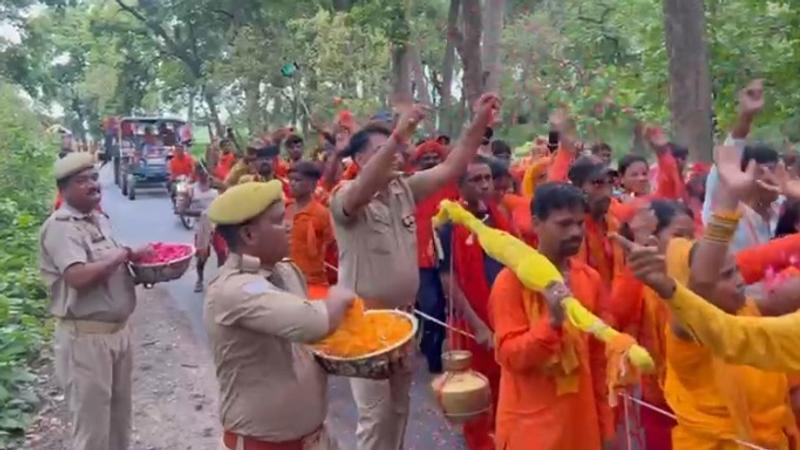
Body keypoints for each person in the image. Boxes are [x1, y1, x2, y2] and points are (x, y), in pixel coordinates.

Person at [329, 93, 500, 450]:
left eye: (395, 148)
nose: (396, 154)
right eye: (381, 150)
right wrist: (398, 135)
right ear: (360, 160)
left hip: (402, 323)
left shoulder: (403, 190)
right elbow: (361, 190)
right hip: (364, 324)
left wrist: (480, 121)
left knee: (398, 410)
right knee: (375, 418)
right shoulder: (345, 196)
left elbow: (453, 168)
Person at [204, 180, 355, 450]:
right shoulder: (233, 289)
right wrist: (340, 295)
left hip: (314, 439)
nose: (288, 225)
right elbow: (314, 322)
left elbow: (309, 346)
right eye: (277, 221)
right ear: (249, 235)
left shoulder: (286, 272)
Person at [38, 152, 150, 450]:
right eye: (82, 180)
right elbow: (78, 277)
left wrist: (138, 271)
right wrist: (122, 253)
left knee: (118, 421)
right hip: (85, 340)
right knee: (92, 430)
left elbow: (110, 272)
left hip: (117, 335)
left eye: (94, 178)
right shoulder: (61, 226)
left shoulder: (99, 220)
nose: (92, 185)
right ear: (64, 189)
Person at [489, 182, 612, 450]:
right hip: (530, 429)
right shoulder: (511, 281)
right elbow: (510, 356)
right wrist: (552, 325)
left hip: (581, 425)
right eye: (564, 224)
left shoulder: (589, 278)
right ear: (536, 223)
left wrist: (606, 426)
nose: (575, 232)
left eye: (579, 223)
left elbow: (598, 359)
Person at [437, 158, 503, 450]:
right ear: (460, 186)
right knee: (476, 393)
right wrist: (477, 325)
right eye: (476, 180)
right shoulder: (449, 223)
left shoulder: (499, 217)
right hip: (472, 325)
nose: (484, 184)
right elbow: (447, 280)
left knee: (505, 389)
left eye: (487, 178)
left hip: (503, 318)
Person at [411, 140, 458, 374]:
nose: (430, 161)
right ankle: (434, 360)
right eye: (425, 158)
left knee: (453, 305)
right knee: (432, 309)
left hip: (451, 255)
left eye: (435, 157)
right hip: (421, 259)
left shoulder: (451, 185)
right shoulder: (410, 187)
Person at [568, 155, 622, 285]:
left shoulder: (616, 224)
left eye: (610, 182)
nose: (607, 191)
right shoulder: (569, 230)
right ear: (578, 188)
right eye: (597, 183)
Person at [285, 161, 334, 300]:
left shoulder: (321, 213)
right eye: (291, 180)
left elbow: (330, 247)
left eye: (298, 180)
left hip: (313, 282)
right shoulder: (285, 209)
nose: (292, 184)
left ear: (312, 184)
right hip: (285, 280)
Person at [186, 164, 224, 292]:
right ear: (196, 173)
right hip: (201, 227)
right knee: (202, 256)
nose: (203, 174)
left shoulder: (216, 187)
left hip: (217, 225)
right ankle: (200, 280)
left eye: (205, 171)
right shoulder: (191, 190)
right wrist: (202, 213)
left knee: (222, 253)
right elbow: (182, 209)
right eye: (200, 171)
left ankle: (221, 280)